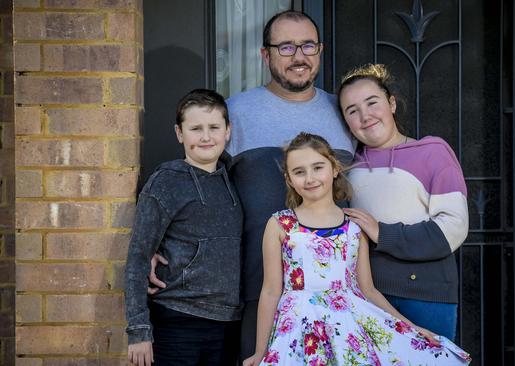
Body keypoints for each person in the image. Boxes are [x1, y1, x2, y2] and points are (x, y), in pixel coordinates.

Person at [147, 10, 355, 360]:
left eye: (308, 45)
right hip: (259, 287)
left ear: (320, 50)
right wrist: (157, 240)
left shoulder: (345, 112)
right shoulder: (234, 113)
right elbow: (194, 182)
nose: (299, 56)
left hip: (337, 289)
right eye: (286, 47)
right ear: (265, 54)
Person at [242, 132, 471, 365]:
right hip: (297, 329)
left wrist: (411, 327)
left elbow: (368, 290)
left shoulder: (353, 226)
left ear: (334, 169)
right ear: (289, 179)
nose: (310, 178)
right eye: (299, 172)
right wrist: (261, 350)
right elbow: (270, 291)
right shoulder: (280, 224)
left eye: (318, 167)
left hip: (348, 325)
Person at [338, 64, 469, 341]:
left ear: (392, 104)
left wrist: (383, 233)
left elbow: (453, 228)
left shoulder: (433, 152)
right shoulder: (347, 166)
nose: (365, 116)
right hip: (368, 295)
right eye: (352, 110)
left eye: (372, 103)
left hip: (427, 295)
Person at [125, 89, 242, 366]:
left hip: (227, 324)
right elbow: (139, 256)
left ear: (228, 131)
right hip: (178, 320)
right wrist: (138, 330)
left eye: (214, 127)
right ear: (180, 133)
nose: (205, 136)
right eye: (195, 128)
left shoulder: (234, 179)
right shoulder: (166, 181)